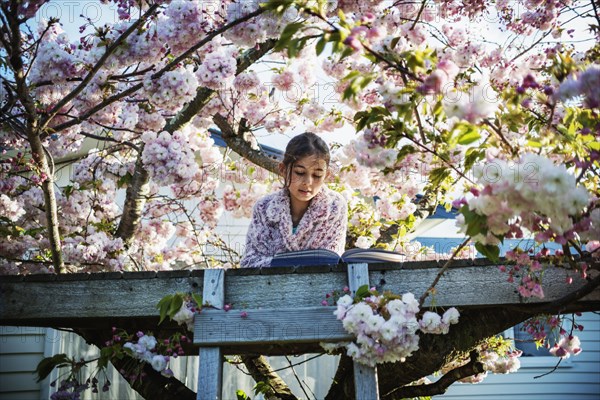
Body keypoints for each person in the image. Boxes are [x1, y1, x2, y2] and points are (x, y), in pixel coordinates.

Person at [240, 132, 348, 268]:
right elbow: (250, 262)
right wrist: (291, 263)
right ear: (283, 170)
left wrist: (278, 262)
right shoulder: (264, 207)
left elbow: (331, 260)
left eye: (317, 175)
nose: (307, 182)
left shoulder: (335, 206)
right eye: (300, 172)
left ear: (326, 176)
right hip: (269, 287)